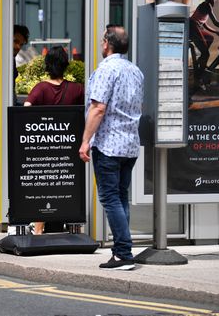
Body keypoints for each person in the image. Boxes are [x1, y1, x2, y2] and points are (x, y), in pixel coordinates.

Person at [79, 24, 143, 270]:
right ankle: (121, 251)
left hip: (109, 145)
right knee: (120, 197)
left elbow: (98, 108)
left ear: (107, 43)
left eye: (102, 40)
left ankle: (124, 252)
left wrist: (85, 141)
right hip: (129, 145)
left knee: (109, 198)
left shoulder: (106, 70)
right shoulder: (135, 71)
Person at [24, 46, 84, 235]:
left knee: (44, 186)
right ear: (66, 65)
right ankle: (73, 226)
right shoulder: (76, 89)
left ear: (47, 65)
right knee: (67, 186)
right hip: (68, 149)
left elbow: (26, 108)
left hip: (45, 150)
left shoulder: (40, 88)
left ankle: (38, 227)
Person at [189, 0, 219, 87]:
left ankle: (201, 60)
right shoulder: (207, 5)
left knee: (210, 38)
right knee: (206, 54)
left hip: (194, 26)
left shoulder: (204, 5)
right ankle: (199, 76)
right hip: (192, 26)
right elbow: (215, 22)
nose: (215, 1)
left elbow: (205, 25)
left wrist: (216, 32)